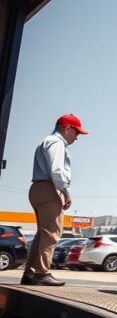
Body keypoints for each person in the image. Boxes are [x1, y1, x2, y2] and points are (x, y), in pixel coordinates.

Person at [22, 114, 88, 286]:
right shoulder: (57, 142)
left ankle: (29, 273)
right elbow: (57, 170)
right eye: (76, 133)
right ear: (67, 128)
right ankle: (42, 273)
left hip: (37, 188)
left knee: (42, 233)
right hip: (49, 188)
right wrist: (65, 191)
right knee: (51, 233)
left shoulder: (46, 141)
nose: (77, 138)